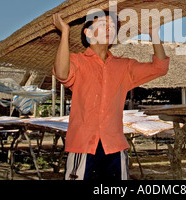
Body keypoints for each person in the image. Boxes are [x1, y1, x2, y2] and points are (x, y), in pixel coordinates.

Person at [53, 11, 169, 180]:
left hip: (114, 146)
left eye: (113, 27)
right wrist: (65, 33)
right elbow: (62, 73)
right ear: (88, 32)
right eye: (103, 25)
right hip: (84, 146)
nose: (110, 29)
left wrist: (153, 34)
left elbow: (160, 68)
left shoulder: (124, 66)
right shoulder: (76, 61)